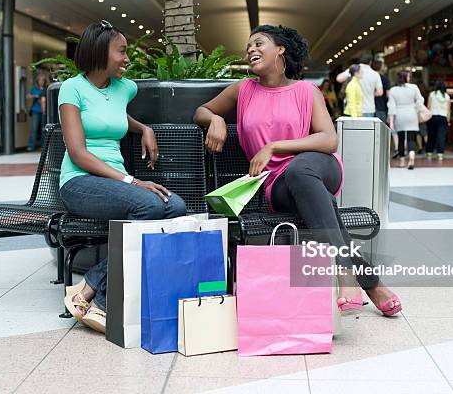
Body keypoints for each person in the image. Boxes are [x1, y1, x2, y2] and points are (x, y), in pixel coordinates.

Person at [194, 24, 401, 317]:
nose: (251, 49)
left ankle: (344, 273)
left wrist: (275, 147)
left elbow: (328, 140)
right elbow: (201, 110)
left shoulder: (306, 91)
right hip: (277, 185)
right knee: (313, 194)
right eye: (249, 45)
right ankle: (368, 281)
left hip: (320, 167)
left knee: (302, 170)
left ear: (281, 50)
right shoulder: (243, 89)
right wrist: (214, 120)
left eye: (259, 43)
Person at [59, 20, 187, 333]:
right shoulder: (72, 88)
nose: (127, 58)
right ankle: (104, 303)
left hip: (113, 182)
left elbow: (114, 115)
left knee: (176, 207)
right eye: (122, 51)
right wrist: (130, 181)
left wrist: (143, 128)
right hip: (79, 182)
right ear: (101, 52)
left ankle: (90, 283)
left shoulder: (124, 88)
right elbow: (78, 153)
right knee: (149, 206)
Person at [388, 70, 423, 170]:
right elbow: (420, 100)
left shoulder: (393, 90)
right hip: (411, 114)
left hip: (399, 115)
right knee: (411, 138)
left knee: (401, 138)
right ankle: (411, 156)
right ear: (406, 77)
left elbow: (391, 107)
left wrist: (391, 122)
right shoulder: (414, 88)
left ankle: (402, 161)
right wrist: (416, 108)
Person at [336, 51, 383, 117]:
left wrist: (349, 73)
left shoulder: (355, 69)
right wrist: (370, 93)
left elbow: (339, 78)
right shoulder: (375, 74)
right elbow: (380, 92)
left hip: (354, 109)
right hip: (369, 108)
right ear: (370, 62)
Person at [426, 80, 451, 160]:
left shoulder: (432, 94)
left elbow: (428, 107)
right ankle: (440, 154)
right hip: (443, 118)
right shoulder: (446, 96)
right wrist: (448, 120)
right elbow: (448, 110)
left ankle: (429, 153)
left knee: (431, 135)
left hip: (432, 117)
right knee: (441, 136)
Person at [27, 74, 48, 151]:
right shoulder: (34, 88)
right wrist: (34, 96)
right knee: (34, 128)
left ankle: (43, 146)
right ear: (37, 81)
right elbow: (28, 96)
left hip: (44, 111)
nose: (41, 82)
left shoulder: (46, 89)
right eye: (40, 80)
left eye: (43, 80)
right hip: (35, 110)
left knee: (44, 129)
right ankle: (31, 145)